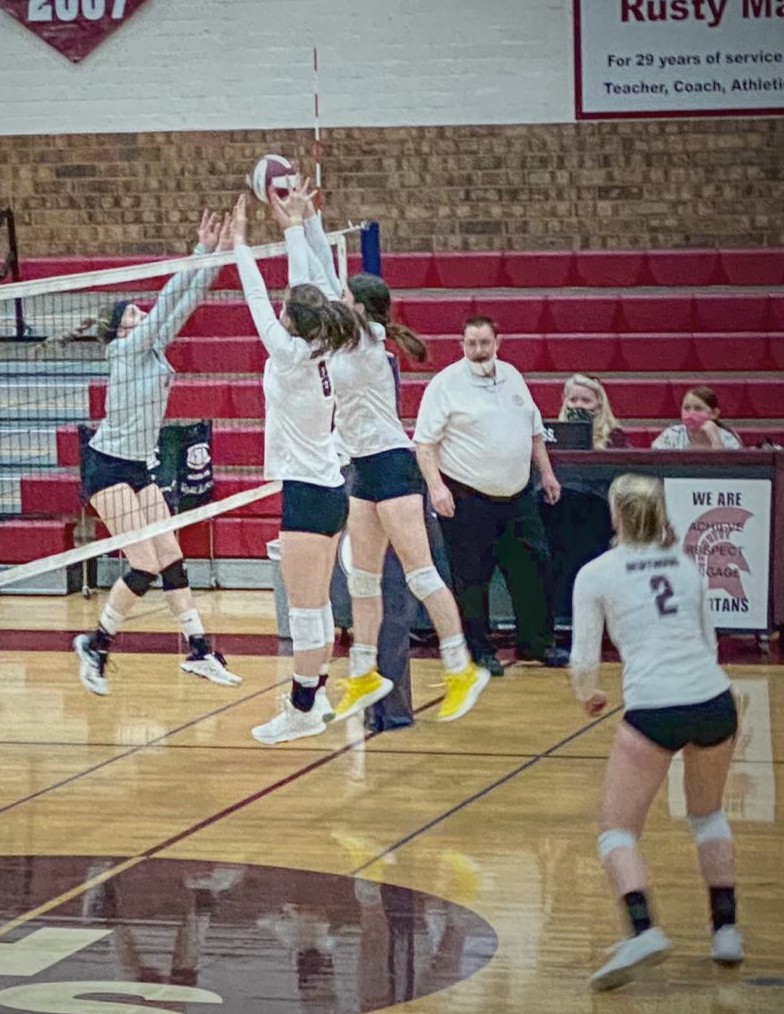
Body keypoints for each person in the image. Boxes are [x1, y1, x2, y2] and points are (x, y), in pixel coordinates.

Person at [268, 183, 489, 724]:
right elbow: (323, 280)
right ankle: (364, 672)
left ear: (361, 308)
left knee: (419, 574)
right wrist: (311, 221)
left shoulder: (365, 336)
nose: (336, 300)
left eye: (345, 297)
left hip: (391, 462)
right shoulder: (350, 333)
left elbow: (312, 283)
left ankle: (462, 667)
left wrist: (296, 228)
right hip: (362, 468)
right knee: (362, 579)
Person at [570, 474, 743, 990]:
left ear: (616, 515)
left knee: (616, 831)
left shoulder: (597, 573)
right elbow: (709, 643)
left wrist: (588, 697)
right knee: (708, 815)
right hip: (714, 699)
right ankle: (726, 932)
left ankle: (643, 931)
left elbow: (583, 662)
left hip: (653, 709)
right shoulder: (687, 567)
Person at [73, 210, 241, 694]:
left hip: (138, 466)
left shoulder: (151, 349)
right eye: (130, 314)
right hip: (106, 467)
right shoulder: (122, 353)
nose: (141, 316)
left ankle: (199, 649)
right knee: (143, 561)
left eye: (138, 312)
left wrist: (217, 255)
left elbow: (183, 303)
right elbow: (170, 298)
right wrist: (198, 252)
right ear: (119, 330)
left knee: (169, 554)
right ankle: (96, 643)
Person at [230, 187, 363, 744]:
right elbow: (309, 288)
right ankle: (319, 691)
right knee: (318, 607)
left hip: (310, 493)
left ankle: (302, 706)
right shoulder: (334, 340)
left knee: (308, 611)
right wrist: (294, 226)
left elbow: (259, 295)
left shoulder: (287, 357)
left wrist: (238, 244)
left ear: (290, 322)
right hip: (327, 487)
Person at [414, 316, 568, 675]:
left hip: (518, 495)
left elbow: (533, 431)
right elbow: (424, 445)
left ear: (498, 341)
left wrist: (546, 472)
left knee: (534, 569)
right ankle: (480, 650)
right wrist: (436, 488)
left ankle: (537, 643)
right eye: (471, 344)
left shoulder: (513, 376)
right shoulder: (445, 385)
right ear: (462, 344)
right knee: (471, 578)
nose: (478, 351)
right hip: (467, 496)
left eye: (484, 343)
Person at [651, 385, 743, 450]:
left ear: (714, 413)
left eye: (698, 408)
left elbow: (729, 472)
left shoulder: (727, 438)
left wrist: (715, 440)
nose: (691, 413)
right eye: (686, 408)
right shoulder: (671, 435)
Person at [558, 373, 627, 449]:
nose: (579, 405)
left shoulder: (614, 437)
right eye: (573, 400)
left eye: (586, 400)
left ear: (599, 404)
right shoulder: (555, 435)